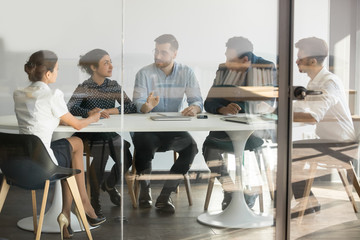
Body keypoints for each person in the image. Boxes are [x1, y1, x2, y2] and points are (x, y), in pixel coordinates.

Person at [13, 50, 106, 239]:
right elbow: (78, 125)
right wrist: (93, 118)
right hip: (43, 166)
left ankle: (69, 215)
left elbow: (39, 117)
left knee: (69, 151)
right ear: (48, 74)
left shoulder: (19, 93)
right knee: (77, 144)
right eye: (57, 70)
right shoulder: (53, 94)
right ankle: (81, 207)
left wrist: (62, 119)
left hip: (19, 165)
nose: (57, 73)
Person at [202, 36, 277, 210]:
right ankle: (232, 191)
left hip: (254, 130)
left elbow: (266, 103)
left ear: (245, 60)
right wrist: (222, 109)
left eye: (230, 59)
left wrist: (240, 104)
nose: (226, 63)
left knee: (249, 152)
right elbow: (209, 102)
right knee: (209, 148)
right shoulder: (223, 69)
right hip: (225, 128)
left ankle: (249, 191)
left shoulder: (265, 67)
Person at [132, 34, 203, 213]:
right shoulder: (144, 73)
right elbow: (137, 103)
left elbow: (197, 100)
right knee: (143, 144)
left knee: (191, 148)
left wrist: (194, 108)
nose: (158, 56)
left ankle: (165, 195)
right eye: (156, 51)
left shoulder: (187, 72)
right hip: (148, 129)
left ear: (175, 54)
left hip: (173, 129)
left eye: (163, 52)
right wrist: (146, 106)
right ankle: (145, 190)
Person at [67, 49, 137, 218]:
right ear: (93, 66)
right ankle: (93, 199)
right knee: (102, 151)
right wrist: (90, 112)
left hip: (107, 133)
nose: (111, 65)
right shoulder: (84, 87)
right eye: (106, 62)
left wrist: (110, 110)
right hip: (89, 134)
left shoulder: (113, 85)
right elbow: (70, 108)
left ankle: (110, 184)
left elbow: (131, 106)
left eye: (110, 61)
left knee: (126, 155)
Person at [291, 37, 356, 217]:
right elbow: (303, 108)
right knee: (291, 150)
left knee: (291, 151)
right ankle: (307, 203)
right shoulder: (315, 82)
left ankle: (306, 204)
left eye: (300, 57)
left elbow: (312, 117)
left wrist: (281, 114)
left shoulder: (328, 83)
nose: (296, 61)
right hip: (330, 141)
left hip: (342, 146)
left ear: (312, 60)